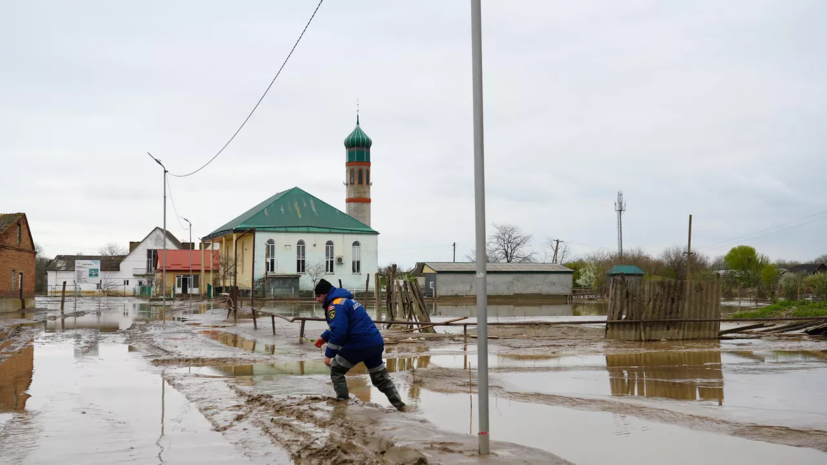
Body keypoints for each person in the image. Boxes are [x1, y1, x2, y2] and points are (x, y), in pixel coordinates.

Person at [313, 278, 406, 410]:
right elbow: (342, 326)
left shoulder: (335, 305)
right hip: (375, 343)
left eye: (318, 296)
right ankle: (401, 406)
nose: (317, 299)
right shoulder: (347, 301)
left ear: (326, 293)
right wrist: (323, 337)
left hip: (358, 345)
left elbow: (339, 332)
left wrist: (329, 354)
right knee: (380, 379)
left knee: (336, 370)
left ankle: (342, 404)